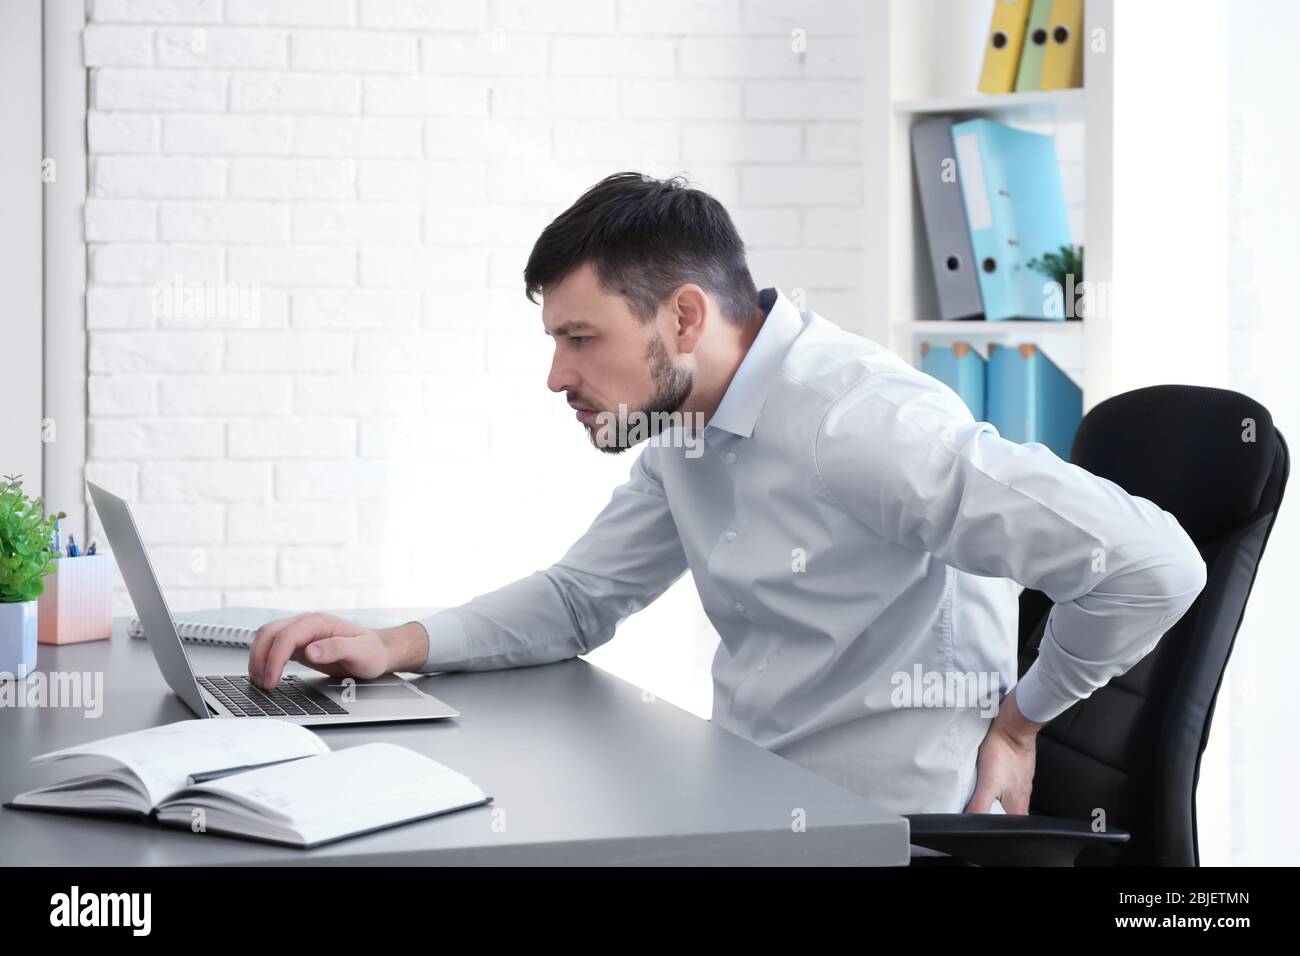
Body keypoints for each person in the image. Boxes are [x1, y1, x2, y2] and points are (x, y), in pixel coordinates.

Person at [247, 172, 1206, 816]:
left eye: (579, 339)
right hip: (751, 801)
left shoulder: (862, 425)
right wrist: (396, 646)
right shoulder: (686, 424)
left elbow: (1152, 564)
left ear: (685, 315)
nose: (555, 377)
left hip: (888, 832)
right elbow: (583, 598)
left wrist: (1021, 719)